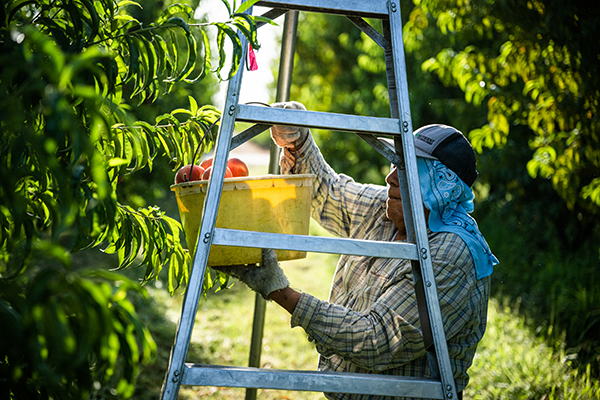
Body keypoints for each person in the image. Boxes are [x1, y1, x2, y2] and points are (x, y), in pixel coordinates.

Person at [215, 101, 499, 399]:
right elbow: (329, 192)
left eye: (408, 169)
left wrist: (278, 290)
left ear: (442, 186)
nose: (390, 177)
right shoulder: (386, 210)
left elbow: (376, 340)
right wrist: (297, 141)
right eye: (395, 163)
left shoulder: (452, 253)